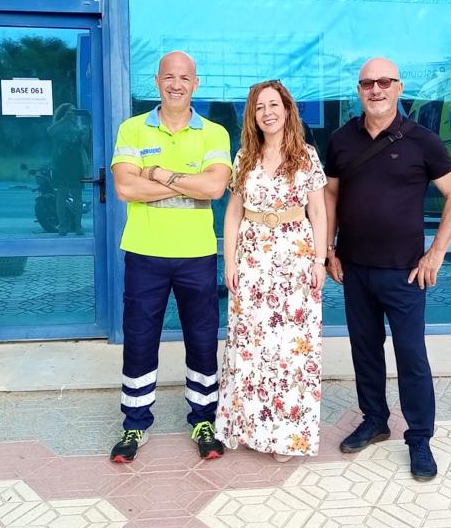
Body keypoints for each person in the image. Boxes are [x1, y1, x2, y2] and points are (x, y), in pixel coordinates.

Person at [324, 57, 451, 481]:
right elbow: (330, 195)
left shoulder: (423, 141)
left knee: (411, 356)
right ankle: (375, 420)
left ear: (399, 88)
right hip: (354, 268)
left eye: (384, 82)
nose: (376, 89)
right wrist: (329, 249)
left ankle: (419, 438)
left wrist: (435, 254)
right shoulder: (341, 139)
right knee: (364, 350)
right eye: (368, 83)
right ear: (358, 90)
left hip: (405, 273)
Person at [109, 51, 232, 463]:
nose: (176, 84)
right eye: (168, 77)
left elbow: (214, 188)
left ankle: (203, 420)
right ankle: (135, 423)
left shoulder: (214, 133)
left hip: (196, 254)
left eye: (184, 78)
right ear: (157, 81)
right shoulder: (132, 129)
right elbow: (125, 188)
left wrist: (157, 173)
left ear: (196, 84)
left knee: (202, 339)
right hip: (145, 252)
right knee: (140, 339)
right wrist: (188, 183)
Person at [215, 80, 327, 461]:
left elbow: (318, 212)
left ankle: (286, 437)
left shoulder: (306, 156)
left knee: (291, 351)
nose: (268, 112)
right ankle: (249, 428)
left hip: (296, 261)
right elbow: (233, 214)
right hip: (252, 261)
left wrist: (319, 261)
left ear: (287, 109)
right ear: (253, 115)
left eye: (274, 104)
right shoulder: (244, 156)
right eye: (260, 107)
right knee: (250, 347)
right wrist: (230, 261)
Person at [47, 102, 88, 236]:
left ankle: (78, 225)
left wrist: (84, 127)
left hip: (75, 164)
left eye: (74, 112)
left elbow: (85, 143)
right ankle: (62, 225)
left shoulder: (78, 127)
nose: (72, 114)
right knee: (62, 195)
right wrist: (63, 120)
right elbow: (50, 132)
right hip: (61, 164)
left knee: (77, 196)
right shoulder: (58, 126)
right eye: (69, 112)